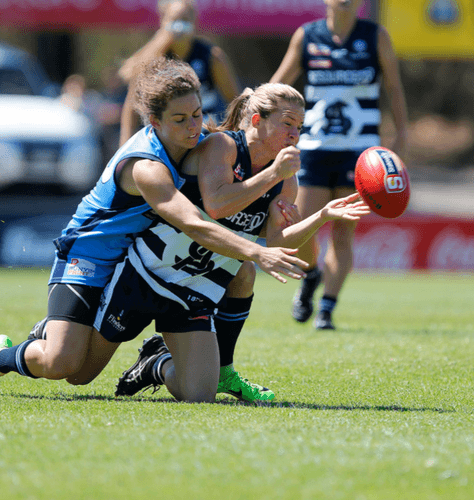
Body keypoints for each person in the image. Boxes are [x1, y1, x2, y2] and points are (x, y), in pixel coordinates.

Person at [0, 58, 308, 395]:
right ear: (154, 122)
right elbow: (193, 222)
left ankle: (151, 359)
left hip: (132, 256)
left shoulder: (198, 143)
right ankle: (1, 356)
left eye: (197, 114)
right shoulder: (147, 166)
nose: (192, 126)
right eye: (179, 119)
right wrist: (256, 252)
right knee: (66, 367)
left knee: (192, 382)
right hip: (90, 254)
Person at [100, 83, 369, 402]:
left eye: (300, 126)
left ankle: (165, 365)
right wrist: (271, 176)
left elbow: (275, 242)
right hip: (149, 268)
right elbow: (217, 204)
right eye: (287, 123)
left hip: (196, 279)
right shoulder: (223, 147)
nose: (295, 133)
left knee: (242, 277)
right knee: (76, 369)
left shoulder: (286, 177)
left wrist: (322, 216)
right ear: (256, 121)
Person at [270, 0, 409, 330]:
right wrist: (261, 118)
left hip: (361, 155)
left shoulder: (375, 36)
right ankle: (312, 274)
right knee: (300, 225)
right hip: (314, 148)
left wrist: (401, 135)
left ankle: (327, 308)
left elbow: (394, 89)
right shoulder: (307, 36)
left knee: (344, 233)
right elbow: (279, 84)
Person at [118, 0, 241, 145]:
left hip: (203, 137)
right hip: (164, 139)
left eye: (185, 19)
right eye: (174, 19)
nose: (179, 25)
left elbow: (236, 101)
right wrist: (124, 147)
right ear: (163, 21)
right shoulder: (152, 57)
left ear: (194, 23)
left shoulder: (212, 56)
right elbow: (131, 106)